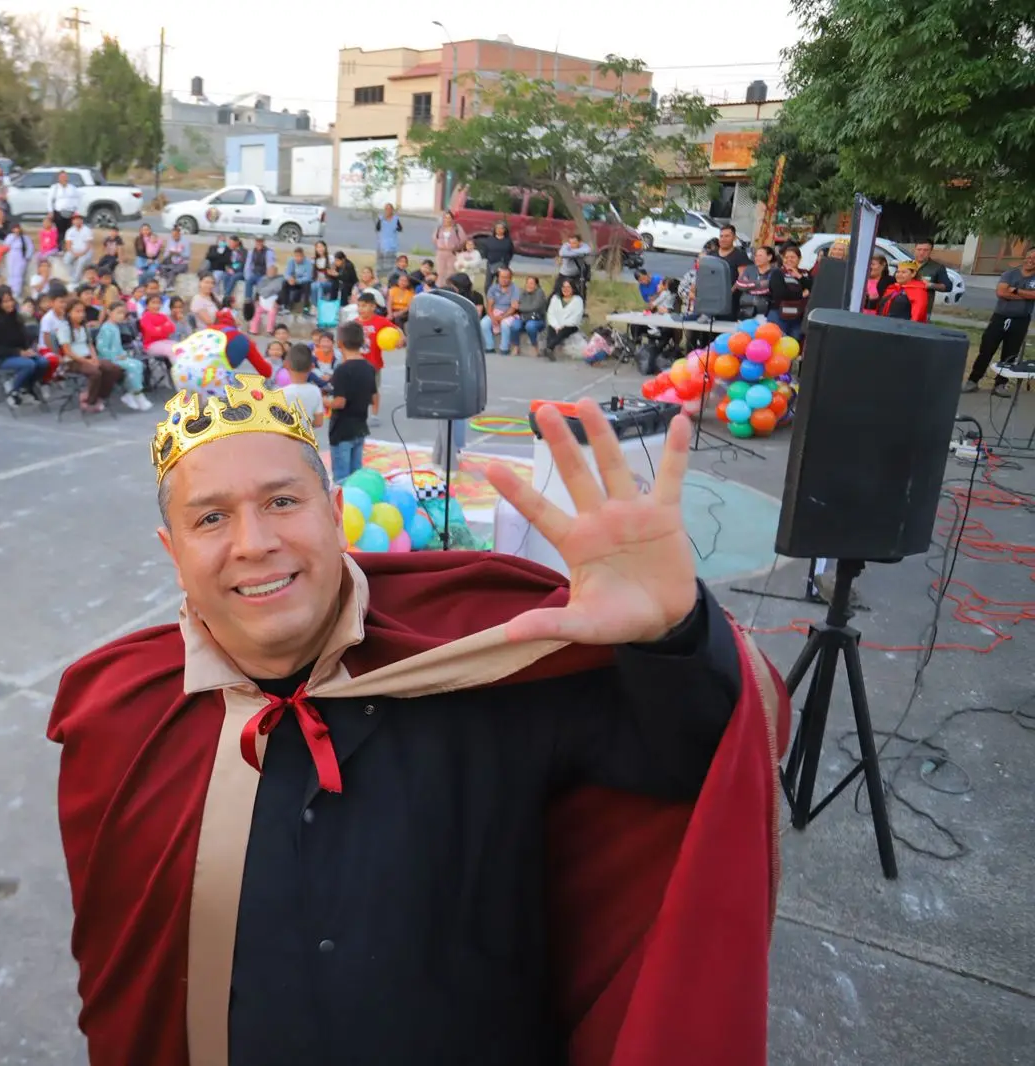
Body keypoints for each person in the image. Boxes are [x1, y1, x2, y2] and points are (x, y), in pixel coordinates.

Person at [47, 372, 786, 1066]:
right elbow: (124, 984)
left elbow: (690, 772)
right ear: (173, 554)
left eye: (281, 502)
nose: (254, 543)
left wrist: (672, 637)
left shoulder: (484, 656)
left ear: (334, 515)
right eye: (212, 518)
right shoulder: (124, 719)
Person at [964, 246, 1035, 396]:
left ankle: (1000, 384)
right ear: (1024, 258)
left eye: (1034, 259)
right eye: (1029, 257)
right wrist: (1026, 295)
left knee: (1010, 353)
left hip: (1021, 320)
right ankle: (973, 381)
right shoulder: (1010, 274)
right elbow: (1001, 292)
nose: (1031, 260)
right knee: (987, 349)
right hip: (1000, 317)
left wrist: (1015, 291)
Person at [324, 321, 377, 479]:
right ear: (362, 342)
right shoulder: (369, 367)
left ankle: (344, 504)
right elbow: (374, 396)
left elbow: (340, 402)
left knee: (342, 479)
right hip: (360, 428)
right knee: (356, 477)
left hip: (342, 431)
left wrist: (325, 401)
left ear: (339, 343)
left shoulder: (342, 370)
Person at [56, 297, 122, 414]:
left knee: (113, 369)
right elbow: (68, 352)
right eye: (77, 311)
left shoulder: (84, 326)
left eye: (82, 311)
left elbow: (90, 344)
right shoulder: (64, 328)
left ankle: (99, 396)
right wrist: (87, 362)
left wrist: (94, 358)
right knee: (95, 372)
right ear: (69, 313)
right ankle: (90, 401)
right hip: (73, 361)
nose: (81, 314)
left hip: (88, 357)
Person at [97, 301, 148, 411]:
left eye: (123, 313)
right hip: (109, 358)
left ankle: (131, 392)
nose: (121, 316)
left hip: (119, 356)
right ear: (109, 312)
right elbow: (102, 347)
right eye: (118, 313)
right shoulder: (106, 328)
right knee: (133, 366)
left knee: (138, 364)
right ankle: (137, 394)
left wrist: (122, 354)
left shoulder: (115, 327)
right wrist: (114, 356)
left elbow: (118, 346)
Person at [279, 344, 326, 437]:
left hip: (286, 440)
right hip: (307, 440)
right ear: (312, 367)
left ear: (286, 365)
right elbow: (319, 422)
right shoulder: (315, 390)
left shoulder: (280, 393)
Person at [765, 246, 810, 339]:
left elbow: (813, 288)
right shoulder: (777, 273)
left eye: (792, 257)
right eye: (786, 257)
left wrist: (799, 276)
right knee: (776, 342)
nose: (789, 260)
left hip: (798, 317)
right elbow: (780, 294)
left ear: (799, 259)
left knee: (794, 344)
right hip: (778, 314)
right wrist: (801, 294)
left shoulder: (805, 273)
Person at [543, 276, 584, 360]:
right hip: (556, 324)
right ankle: (549, 349)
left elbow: (576, 316)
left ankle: (549, 348)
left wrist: (564, 325)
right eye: (564, 287)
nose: (566, 289)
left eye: (568, 287)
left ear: (573, 288)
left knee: (563, 331)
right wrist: (556, 325)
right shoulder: (555, 298)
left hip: (571, 325)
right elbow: (551, 313)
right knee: (551, 330)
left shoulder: (578, 300)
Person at [733, 245, 776, 321]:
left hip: (764, 313)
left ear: (769, 257)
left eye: (760, 255)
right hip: (745, 310)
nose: (757, 258)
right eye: (756, 256)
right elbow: (739, 284)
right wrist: (758, 284)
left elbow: (768, 289)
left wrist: (748, 287)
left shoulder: (775, 272)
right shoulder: (749, 269)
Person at [911, 239, 951, 319]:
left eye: (926, 250)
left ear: (931, 251)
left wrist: (930, 285)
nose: (922, 253)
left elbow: (948, 287)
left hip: (924, 310)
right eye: (919, 249)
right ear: (914, 250)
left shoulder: (937, 267)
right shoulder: (906, 264)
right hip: (903, 306)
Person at [49, 170, 82, 246]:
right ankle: (60, 246)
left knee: (69, 231)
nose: (64, 178)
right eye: (62, 177)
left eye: (65, 177)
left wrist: (76, 210)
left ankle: (68, 246)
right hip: (59, 212)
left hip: (70, 212)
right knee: (60, 231)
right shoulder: (55, 188)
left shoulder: (72, 188)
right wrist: (50, 211)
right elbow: (50, 200)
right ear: (59, 178)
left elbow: (77, 199)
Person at [432, 210, 465, 283]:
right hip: (441, 253)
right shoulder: (439, 228)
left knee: (451, 271)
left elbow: (463, 239)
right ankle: (440, 287)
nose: (447, 220)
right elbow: (434, 238)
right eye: (446, 218)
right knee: (440, 272)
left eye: (449, 218)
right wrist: (439, 244)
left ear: (452, 219)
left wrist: (456, 247)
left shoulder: (457, 227)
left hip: (452, 253)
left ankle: (449, 287)